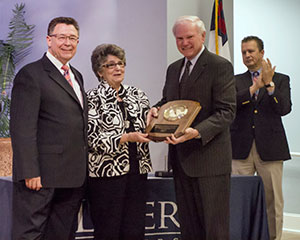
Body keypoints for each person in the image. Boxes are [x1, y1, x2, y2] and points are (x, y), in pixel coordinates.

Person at [147, 16, 236, 240]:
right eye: (179, 38)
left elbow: (227, 112)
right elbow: (169, 103)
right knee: (188, 228)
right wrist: (155, 111)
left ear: (203, 36)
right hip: (180, 160)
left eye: (189, 37)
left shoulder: (220, 66)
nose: (184, 43)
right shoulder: (173, 68)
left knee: (214, 230)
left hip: (210, 162)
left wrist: (196, 132)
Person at [10, 17, 88, 240]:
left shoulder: (77, 76)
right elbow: (22, 128)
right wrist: (30, 171)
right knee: (30, 234)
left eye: (72, 38)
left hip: (71, 177)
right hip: (40, 177)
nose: (67, 43)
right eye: (61, 37)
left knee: (62, 234)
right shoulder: (31, 74)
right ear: (49, 40)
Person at [87, 44, 152, 240]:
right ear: (99, 71)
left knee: (134, 230)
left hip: (137, 173)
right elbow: (91, 139)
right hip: (106, 176)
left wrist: (158, 121)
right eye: (111, 65)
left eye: (121, 63)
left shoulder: (137, 94)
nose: (118, 68)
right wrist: (126, 138)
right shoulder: (91, 98)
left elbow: (149, 127)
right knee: (108, 231)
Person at [230, 36, 291, 240]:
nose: (247, 55)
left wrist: (269, 85)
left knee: (272, 200)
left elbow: (284, 108)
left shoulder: (281, 79)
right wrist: (254, 88)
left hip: (271, 149)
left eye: (251, 51)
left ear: (262, 53)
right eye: (244, 52)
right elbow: (231, 106)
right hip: (240, 148)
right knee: (238, 198)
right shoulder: (236, 80)